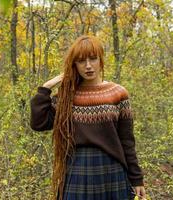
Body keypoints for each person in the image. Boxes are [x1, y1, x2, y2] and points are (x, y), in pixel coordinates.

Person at [30, 35, 146, 200]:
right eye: (81, 61)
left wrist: (136, 178)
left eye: (93, 59)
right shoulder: (66, 97)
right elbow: (39, 123)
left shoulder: (118, 93)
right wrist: (46, 88)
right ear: (74, 65)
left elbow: (127, 141)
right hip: (76, 170)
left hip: (112, 171)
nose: (88, 66)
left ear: (101, 60)